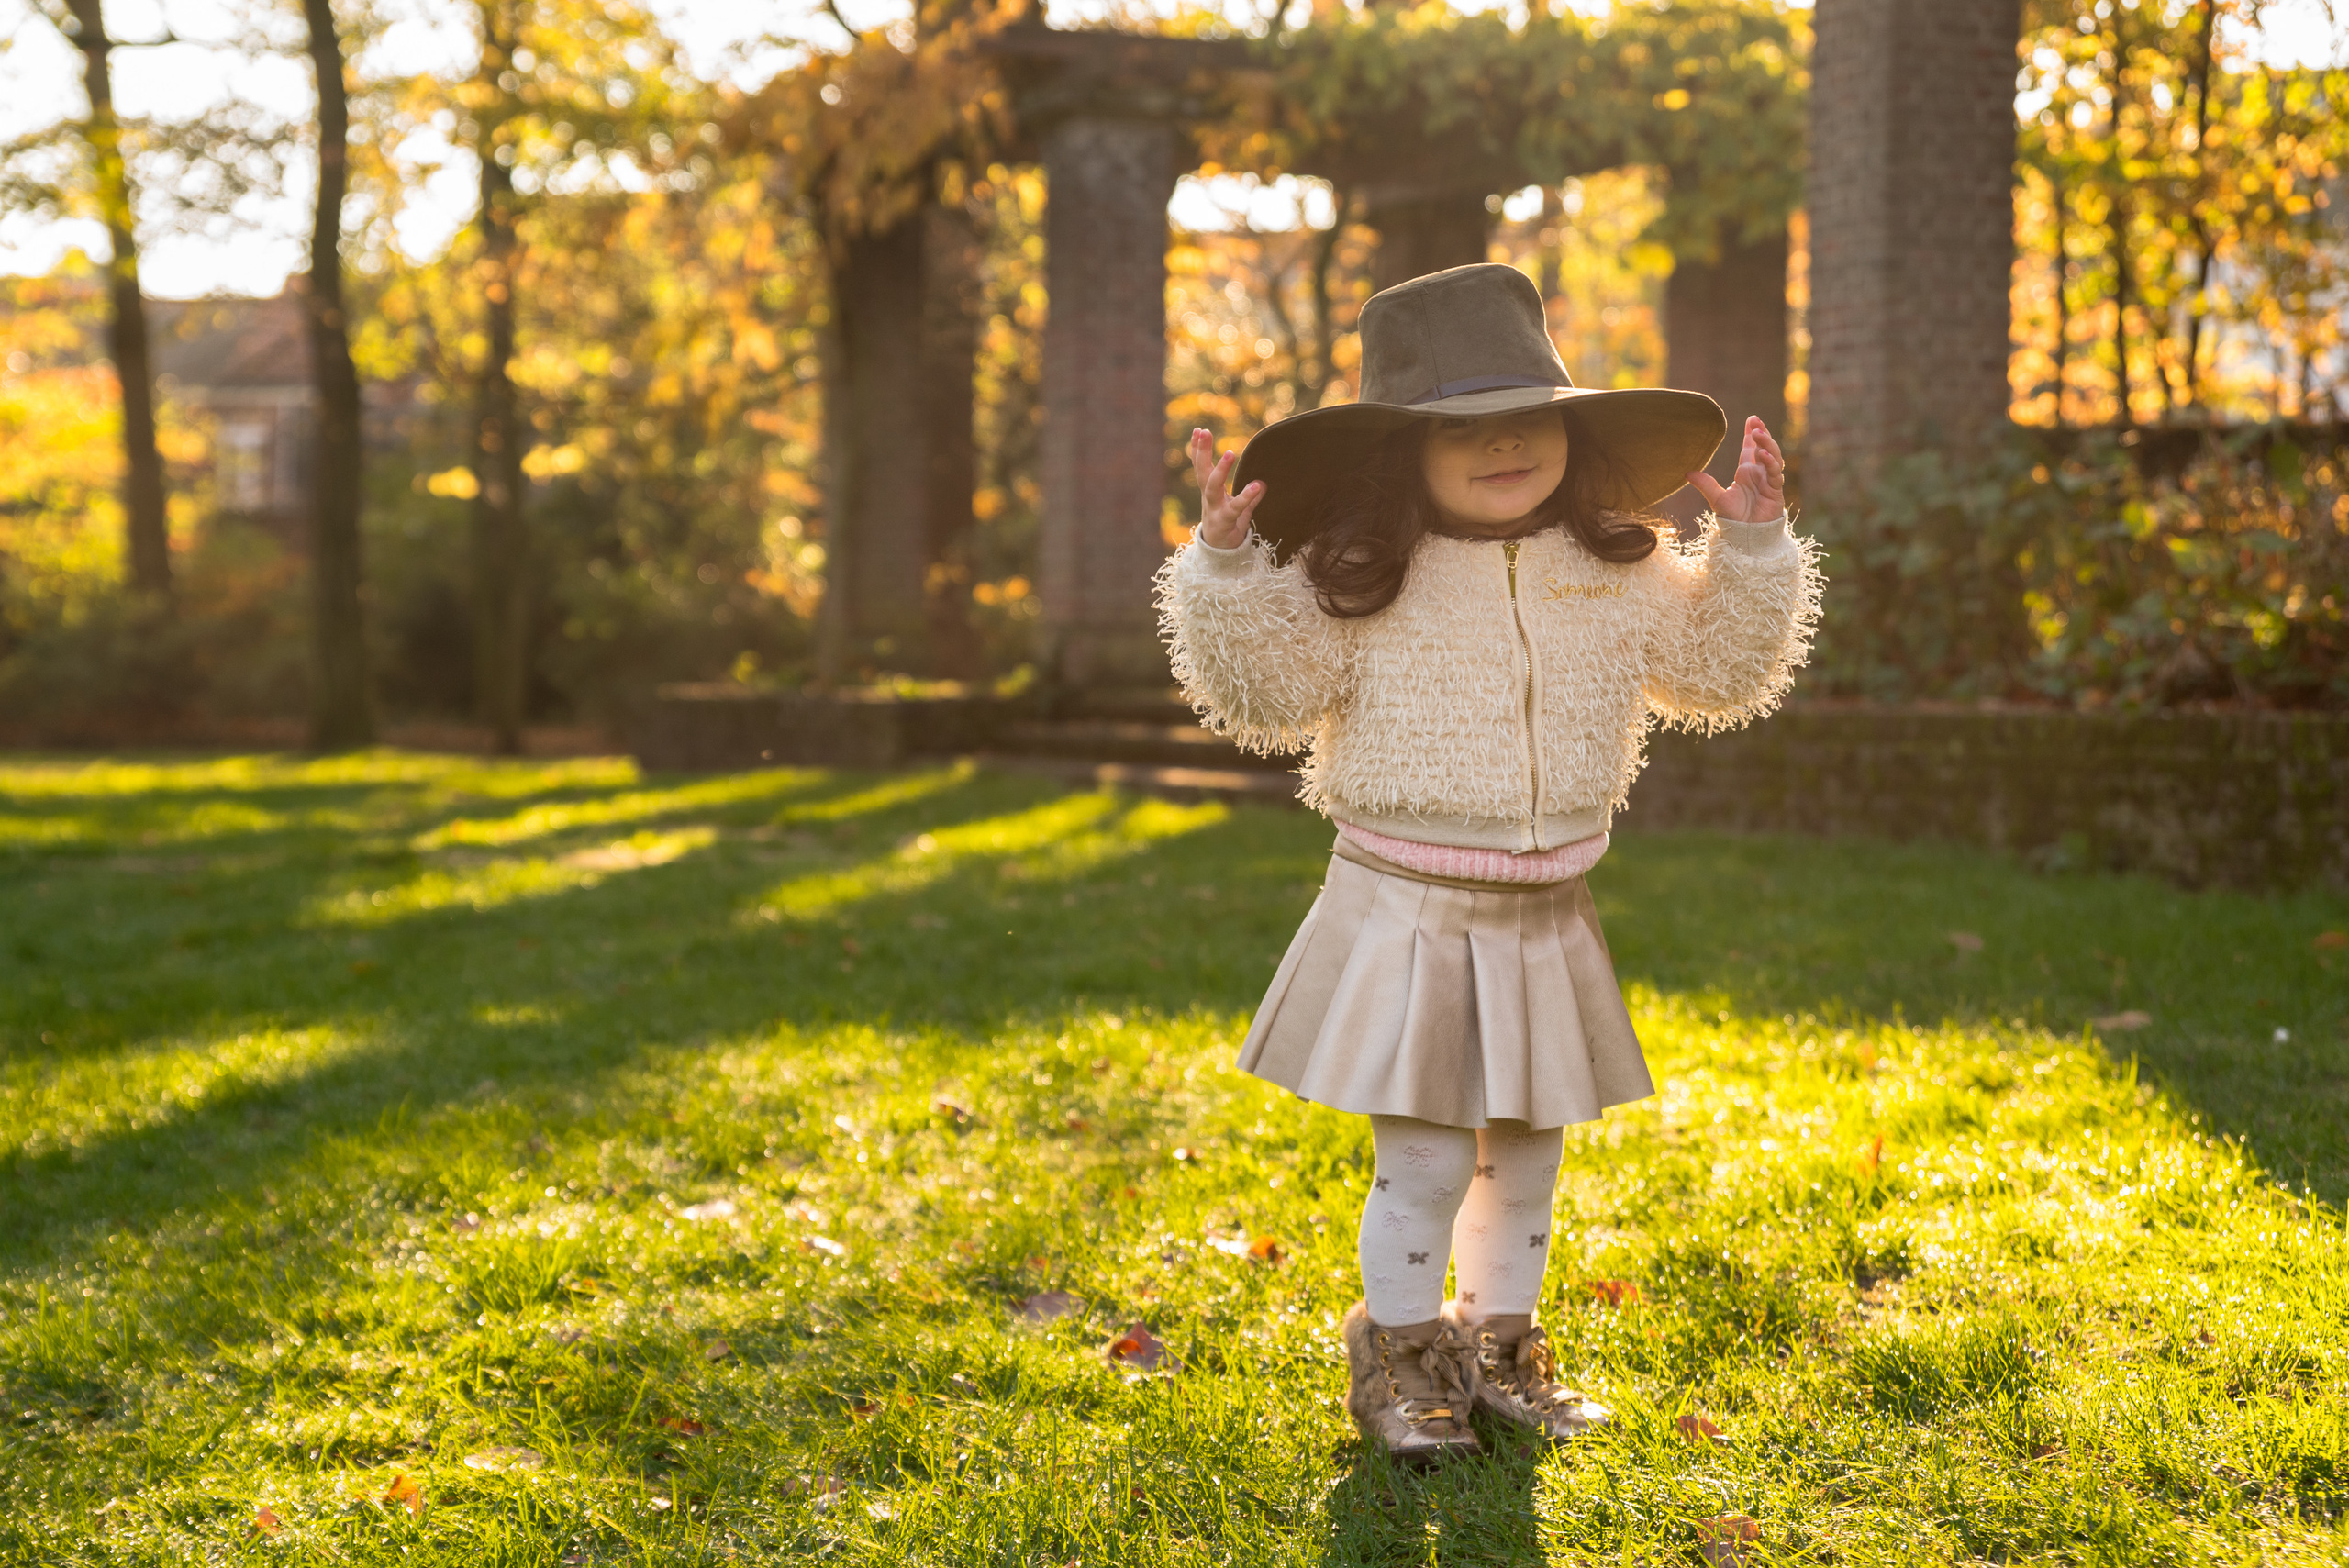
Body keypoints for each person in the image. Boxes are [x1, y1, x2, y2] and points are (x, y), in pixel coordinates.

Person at [1154, 263, 1820, 1463]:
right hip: (1405, 906)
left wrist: (1757, 543)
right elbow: (1258, 692)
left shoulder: (1618, 568)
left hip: (1545, 909)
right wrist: (1224, 566)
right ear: (1403, 450)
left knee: (1523, 1155)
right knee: (1419, 1157)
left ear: (1570, 425)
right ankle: (1401, 1358)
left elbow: (1725, 670)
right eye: (1465, 425)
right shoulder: (1356, 577)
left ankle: (1501, 1339)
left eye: (1530, 413)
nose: (1506, 440)